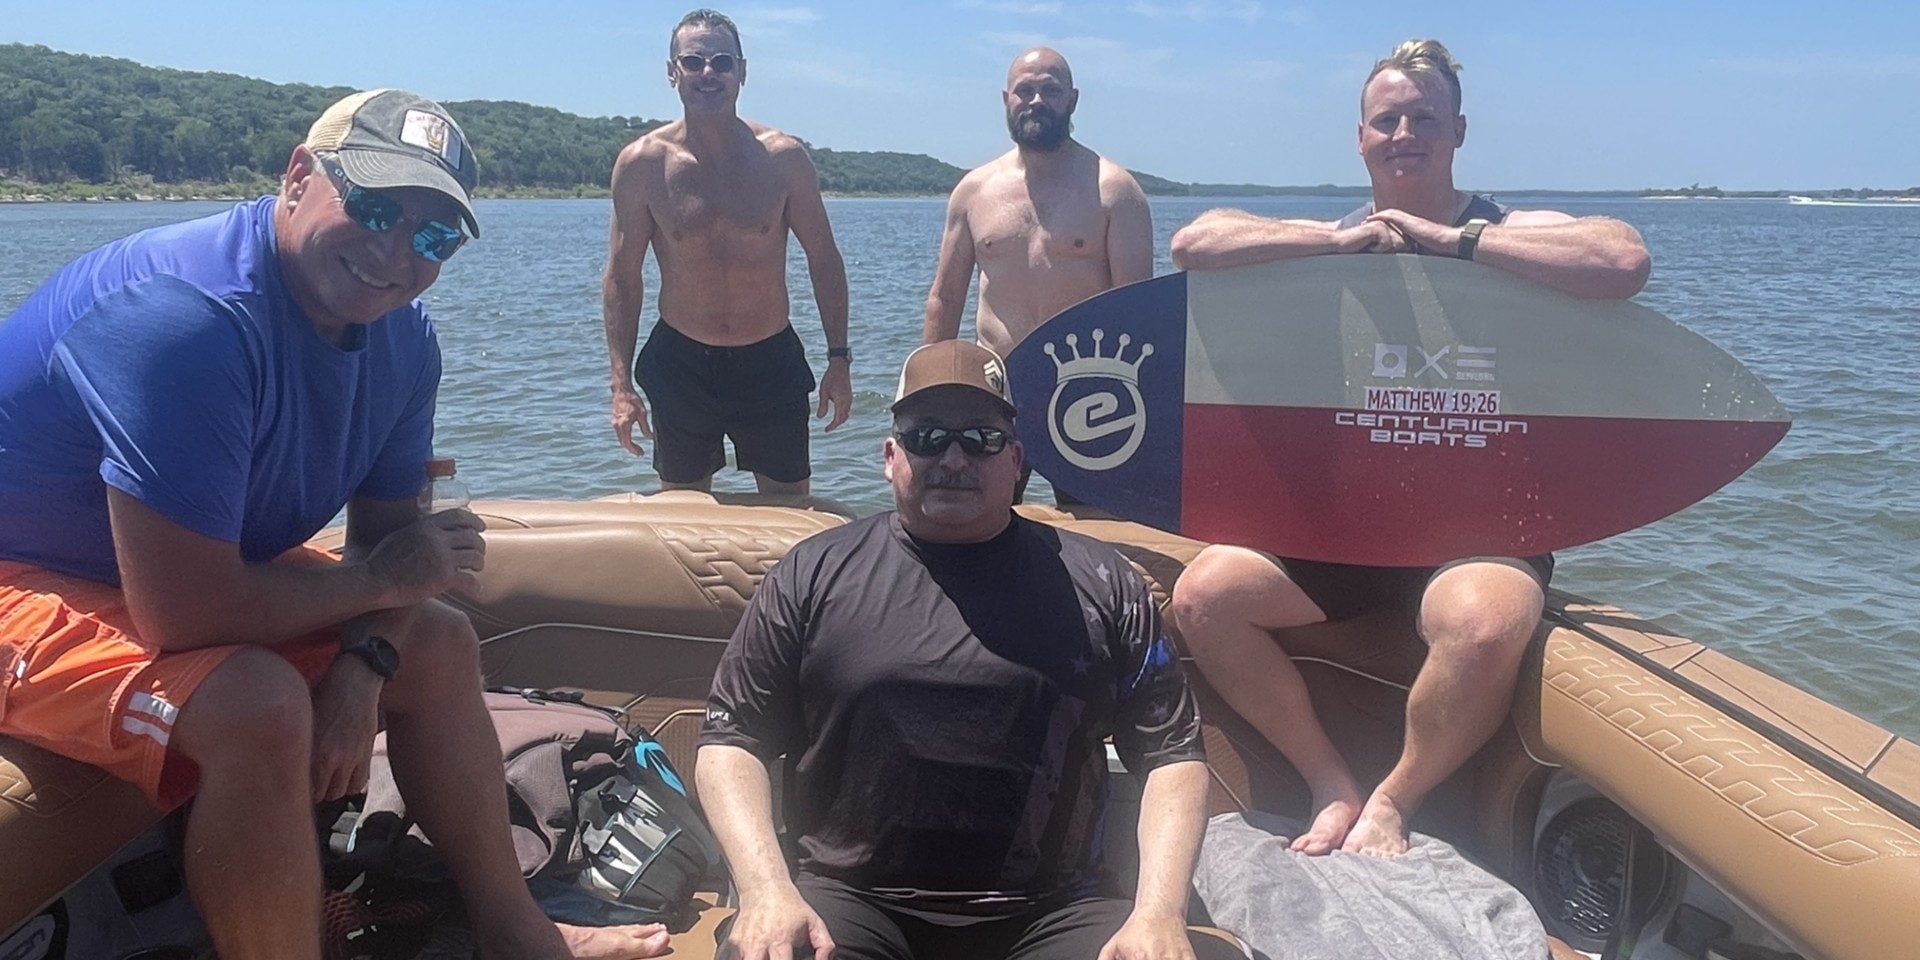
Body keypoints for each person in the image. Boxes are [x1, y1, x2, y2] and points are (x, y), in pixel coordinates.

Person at [0, 90, 668, 960]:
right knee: (258, 703)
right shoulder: (182, 318)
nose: (396, 252)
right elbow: (189, 617)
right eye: (376, 207)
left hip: (167, 568)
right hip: (22, 569)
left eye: (434, 236)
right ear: (299, 176)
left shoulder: (402, 338)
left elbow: (395, 556)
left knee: (435, 641)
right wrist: (385, 585)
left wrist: (364, 666)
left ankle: (518, 932)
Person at [1166, 39, 1653, 858]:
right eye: (1386, 120)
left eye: (1423, 118)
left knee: (1486, 627)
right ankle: (1330, 783)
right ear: (1360, 138)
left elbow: (1622, 258)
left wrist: (1452, 242)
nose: (1404, 133)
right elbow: (1194, 244)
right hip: (1341, 536)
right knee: (1204, 597)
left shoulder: (1505, 229)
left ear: (1458, 131)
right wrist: (1332, 241)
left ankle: (1395, 800)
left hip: (1477, 532)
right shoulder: (1336, 236)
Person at [695, 341, 1241, 960]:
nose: (953, 457)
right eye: (928, 436)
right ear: (890, 456)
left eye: (980, 438)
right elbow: (731, 741)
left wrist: (1159, 913)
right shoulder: (809, 574)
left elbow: (1171, 756)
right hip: (850, 899)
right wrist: (766, 890)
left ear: (1015, 461)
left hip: (1054, 910)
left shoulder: (1105, 583)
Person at [604, 8, 852, 496]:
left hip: (769, 358)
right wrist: (620, 385)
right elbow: (621, 276)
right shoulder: (642, 165)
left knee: (787, 509)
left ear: (742, 71)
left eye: (722, 61)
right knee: (684, 511)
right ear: (672, 71)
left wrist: (839, 360)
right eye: (693, 62)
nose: (708, 73)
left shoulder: (783, 159)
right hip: (680, 360)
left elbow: (824, 259)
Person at [924, 46, 1152, 504]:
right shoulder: (974, 191)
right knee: (975, 519)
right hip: (995, 389)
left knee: (1096, 524)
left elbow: (1137, 310)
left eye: (1050, 90)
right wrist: (927, 393)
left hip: (1088, 392)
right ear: (1007, 99)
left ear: (1072, 100)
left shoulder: (1114, 191)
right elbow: (945, 299)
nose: (1036, 100)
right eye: (1025, 90)